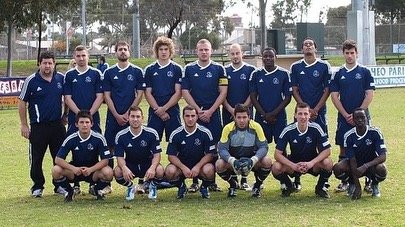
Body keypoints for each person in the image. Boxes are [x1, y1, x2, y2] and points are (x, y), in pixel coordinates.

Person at [18, 51, 67, 198]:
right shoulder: (31, 80)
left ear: (54, 64)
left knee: (59, 157)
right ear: (39, 64)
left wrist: (65, 115)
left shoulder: (61, 78)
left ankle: (59, 185)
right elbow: (22, 102)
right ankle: (37, 186)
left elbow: (68, 98)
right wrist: (24, 125)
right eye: (44, 63)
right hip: (38, 126)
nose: (47, 66)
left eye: (50, 63)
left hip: (57, 126)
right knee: (36, 158)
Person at [181, 38, 227, 192]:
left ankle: (211, 181)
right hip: (195, 115)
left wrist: (211, 111)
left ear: (211, 51)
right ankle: (194, 181)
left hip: (213, 115)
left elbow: (223, 92)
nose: (204, 52)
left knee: (213, 147)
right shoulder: (189, 69)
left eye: (206, 49)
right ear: (196, 51)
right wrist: (197, 111)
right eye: (201, 50)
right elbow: (185, 91)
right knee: (195, 147)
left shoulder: (219, 69)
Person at [330, 39, 375, 193]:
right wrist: (345, 114)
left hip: (362, 117)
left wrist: (358, 114)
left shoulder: (365, 72)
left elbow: (369, 94)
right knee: (343, 149)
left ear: (357, 54)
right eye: (347, 53)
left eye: (352, 53)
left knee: (367, 147)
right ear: (343, 54)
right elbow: (335, 96)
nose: (349, 56)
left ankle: (370, 181)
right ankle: (345, 181)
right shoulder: (338, 74)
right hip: (344, 117)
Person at [289, 37, 332, 191]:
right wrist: (305, 109)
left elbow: (327, 90)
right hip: (302, 113)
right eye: (305, 44)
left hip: (319, 112)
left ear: (315, 48)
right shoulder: (295, 67)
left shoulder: (324, 66)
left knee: (322, 145)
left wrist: (316, 109)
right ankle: (297, 178)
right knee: (298, 144)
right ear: (302, 49)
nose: (308, 46)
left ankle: (323, 182)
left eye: (310, 44)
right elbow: (294, 89)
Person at [103, 41, 145, 193]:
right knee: (109, 147)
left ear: (129, 52)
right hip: (113, 116)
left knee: (140, 146)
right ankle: (107, 184)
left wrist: (129, 113)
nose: (122, 52)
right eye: (119, 49)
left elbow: (140, 93)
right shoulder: (108, 72)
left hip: (131, 117)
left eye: (125, 49)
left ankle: (141, 182)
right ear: (115, 53)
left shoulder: (137, 71)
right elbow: (106, 95)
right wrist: (116, 113)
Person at [272, 102, 333, 198]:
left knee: (328, 163)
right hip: (294, 164)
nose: (303, 117)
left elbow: (327, 151)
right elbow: (277, 154)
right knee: (276, 167)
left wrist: (311, 163)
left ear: (310, 115)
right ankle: (289, 186)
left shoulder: (316, 128)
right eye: (300, 113)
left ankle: (320, 188)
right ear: (295, 115)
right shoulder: (288, 129)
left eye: (305, 114)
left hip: (312, 163)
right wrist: (293, 165)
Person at [51, 110, 113, 202]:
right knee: (56, 170)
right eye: (82, 122)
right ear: (76, 124)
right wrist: (73, 168)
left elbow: (105, 160)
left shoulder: (99, 138)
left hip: (93, 171)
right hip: (76, 171)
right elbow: (58, 159)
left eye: (87, 122)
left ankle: (97, 190)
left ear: (91, 124)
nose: (84, 125)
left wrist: (91, 169)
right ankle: (69, 191)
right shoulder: (71, 138)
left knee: (108, 172)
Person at [216, 104, 271, 198]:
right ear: (234, 118)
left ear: (249, 117)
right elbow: (222, 149)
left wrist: (253, 160)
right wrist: (232, 161)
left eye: (244, 117)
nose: (241, 120)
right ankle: (233, 185)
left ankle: (257, 186)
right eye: (239, 117)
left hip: (251, 160)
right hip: (235, 161)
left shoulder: (256, 126)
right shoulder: (228, 128)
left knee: (267, 161)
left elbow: (264, 147)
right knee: (219, 164)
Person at [164, 105, 216, 199]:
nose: (190, 119)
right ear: (183, 117)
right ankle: (181, 186)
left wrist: (197, 167)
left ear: (197, 117)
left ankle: (204, 187)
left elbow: (210, 155)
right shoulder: (176, 133)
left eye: (193, 116)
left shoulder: (205, 132)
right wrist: (183, 168)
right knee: (169, 171)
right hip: (182, 167)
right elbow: (171, 156)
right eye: (187, 116)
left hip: (200, 167)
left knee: (209, 170)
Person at [223, 44, 256, 190]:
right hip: (228, 112)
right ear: (229, 55)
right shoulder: (224, 71)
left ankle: (245, 178)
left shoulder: (250, 70)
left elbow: (252, 93)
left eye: (237, 53)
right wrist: (231, 110)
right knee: (231, 144)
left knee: (248, 145)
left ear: (242, 53)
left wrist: (242, 111)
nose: (235, 56)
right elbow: (221, 93)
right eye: (232, 54)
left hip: (245, 114)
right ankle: (234, 178)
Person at [114, 106, 165, 201]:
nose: (135, 119)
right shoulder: (121, 135)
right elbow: (119, 157)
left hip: (147, 164)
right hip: (131, 165)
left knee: (160, 170)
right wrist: (124, 168)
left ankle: (152, 186)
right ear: (128, 118)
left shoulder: (152, 133)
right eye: (132, 116)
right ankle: (131, 187)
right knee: (117, 171)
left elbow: (157, 154)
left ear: (142, 118)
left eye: (138, 117)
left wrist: (152, 168)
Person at [249, 47, 292, 145]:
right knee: (260, 146)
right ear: (262, 58)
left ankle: (282, 161)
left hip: (279, 116)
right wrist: (264, 115)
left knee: (281, 145)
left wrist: (273, 114)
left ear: (275, 57)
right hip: (261, 116)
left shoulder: (284, 74)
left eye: (271, 56)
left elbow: (288, 98)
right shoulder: (255, 74)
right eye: (265, 56)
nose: (268, 58)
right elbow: (253, 97)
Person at [144, 36, 182, 142]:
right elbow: (147, 93)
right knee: (152, 142)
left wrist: (164, 109)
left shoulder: (177, 69)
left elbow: (178, 93)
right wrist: (158, 110)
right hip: (155, 110)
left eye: (166, 49)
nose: (163, 52)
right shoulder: (150, 69)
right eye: (161, 49)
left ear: (170, 51)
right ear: (157, 51)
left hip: (172, 110)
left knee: (175, 141)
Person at [64, 45, 104, 135]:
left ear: (88, 56)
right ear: (74, 57)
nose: (81, 58)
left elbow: (100, 97)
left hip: (93, 116)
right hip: (74, 116)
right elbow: (67, 98)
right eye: (78, 56)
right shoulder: (69, 75)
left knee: (95, 143)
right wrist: (80, 115)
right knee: (74, 145)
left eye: (83, 55)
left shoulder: (96, 73)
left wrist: (89, 115)